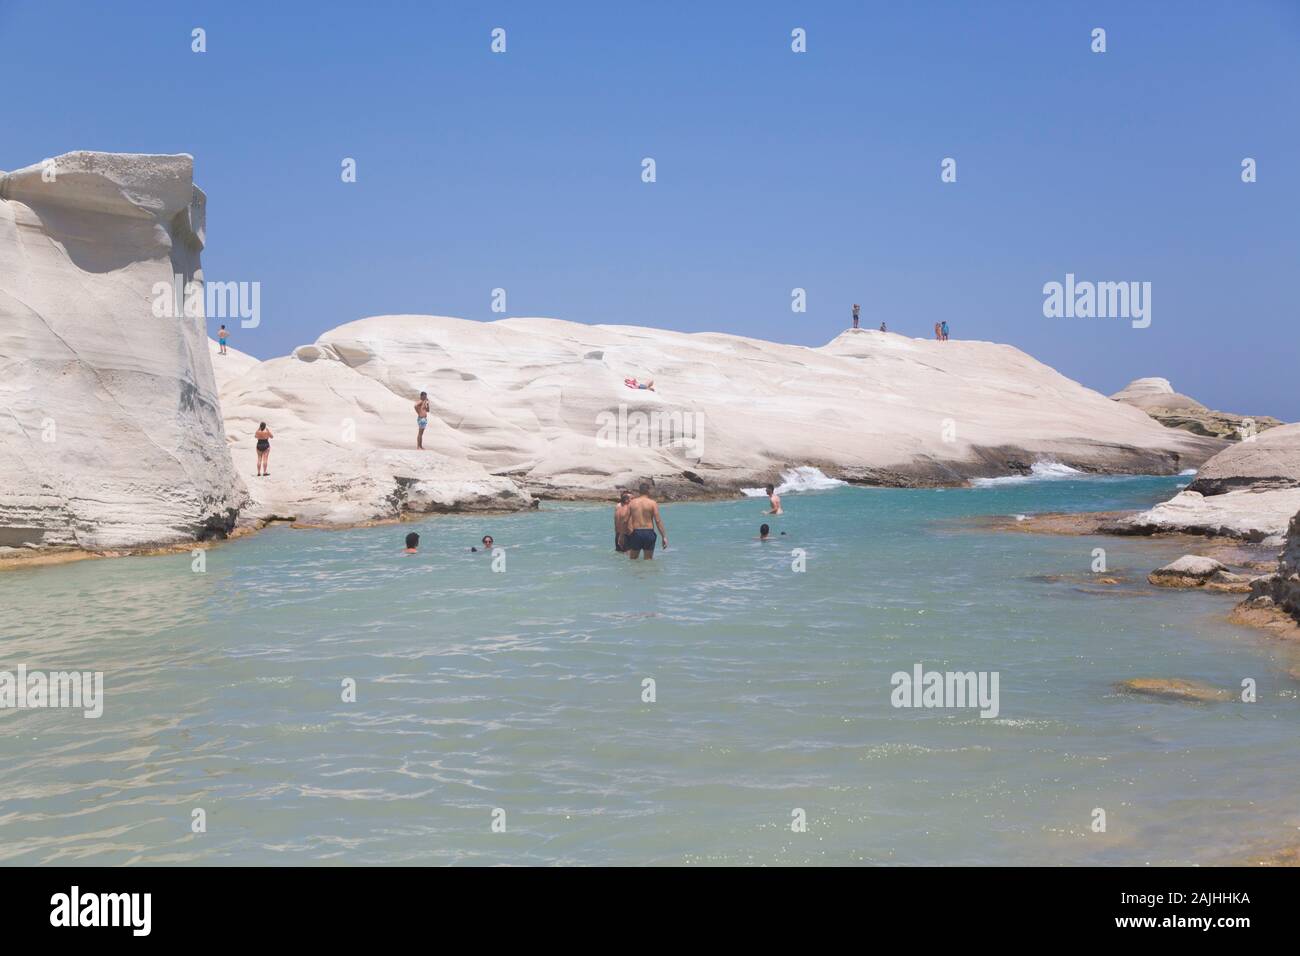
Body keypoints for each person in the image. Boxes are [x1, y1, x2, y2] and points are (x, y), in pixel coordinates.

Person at [624, 483, 668, 560]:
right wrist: (663, 537)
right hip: (649, 533)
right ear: (648, 491)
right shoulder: (652, 503)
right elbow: (658, 521)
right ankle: (647, 572)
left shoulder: (632, 503)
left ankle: (635, 572)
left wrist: (622, 535)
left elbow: (625, 520)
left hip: (636, 532)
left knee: (633, 560)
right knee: (648, 560)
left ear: (639, 491)